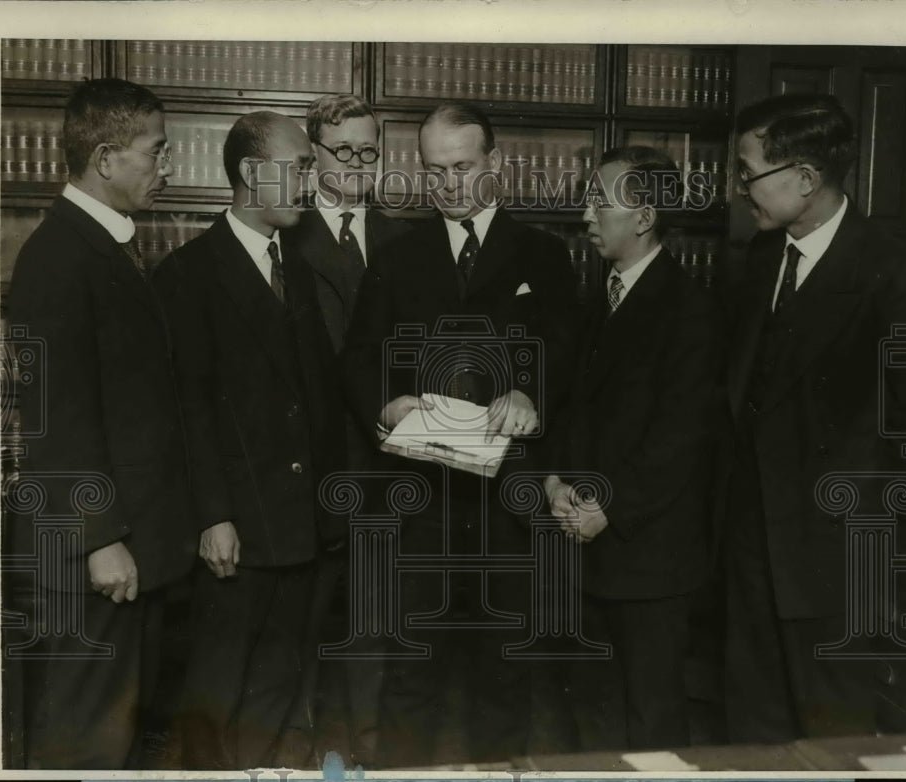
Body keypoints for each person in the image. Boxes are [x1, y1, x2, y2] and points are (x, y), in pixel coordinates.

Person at [343, 101, 579, 767]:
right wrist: (386, 401)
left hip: (509, 507)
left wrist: (530, 390)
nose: (449, 183)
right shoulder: (395, 255)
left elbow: (567, 348)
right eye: (435, 170)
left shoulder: (544, 254)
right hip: (423, 506)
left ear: (494, 164)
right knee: (410, 678)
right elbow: (360, 356)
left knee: (505, 677)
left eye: (463, 167)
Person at [723, 93, 906, 742]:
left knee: (834, 737)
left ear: (807, 179)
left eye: (748, 172)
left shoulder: (897, 271)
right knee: (753, 736)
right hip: (751, 555)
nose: (739, 190)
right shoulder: (763, 256)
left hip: (841, 571)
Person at [7, 77, 195, 769]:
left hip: (126, 547)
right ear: (107, 158)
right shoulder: (59, 256)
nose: (167, 165)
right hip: (100, 555)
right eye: (157, 149)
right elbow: (58, 417)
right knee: (87, 743)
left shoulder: (100, 244)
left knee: (116, 741)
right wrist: (99, 539)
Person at [152, 111, 346, 769]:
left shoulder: (298, 266)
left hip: (303, 528)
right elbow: (188, 410)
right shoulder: (188, 276)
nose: (309, 183)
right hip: (234, 531)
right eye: (298, 169)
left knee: (283, 693)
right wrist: (213, 515)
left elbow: (318, 396)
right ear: (250, 173)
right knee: (216, 694)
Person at [542, 146, 722, 750]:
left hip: (650, 558)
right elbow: (574, 411)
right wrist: (555, 481)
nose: (586, 214)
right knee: (595, 718)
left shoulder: (691, 310)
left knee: (651, 724)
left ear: (644, 216)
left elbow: (682, 439)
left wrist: (608, 510)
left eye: (601, 200)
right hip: (588, 544)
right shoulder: (601, 300)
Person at [284, 94, 409, 767]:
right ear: (312, 156)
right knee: (299, 628)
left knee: (376, 625)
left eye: (369, 151)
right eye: (344, 152)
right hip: (307, 471)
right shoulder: (284, 235)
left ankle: (371, 758)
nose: (359, 165)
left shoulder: (403, 240)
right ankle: (295, 757)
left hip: (390, 469)